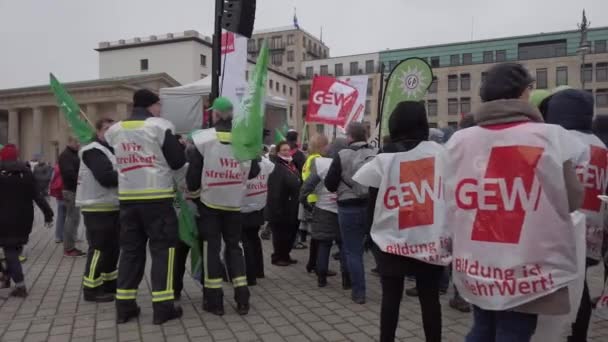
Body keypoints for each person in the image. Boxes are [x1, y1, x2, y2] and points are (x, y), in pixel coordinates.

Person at [446, 63, 585, 342]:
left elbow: (449, 198)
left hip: (477, 261)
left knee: (482, 328)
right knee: (514, 332)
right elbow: (572, 199)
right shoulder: (550, 137)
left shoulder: (458, 140)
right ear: (524, 93)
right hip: (528, 262)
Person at [354, 102, 449, 342]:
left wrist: (369, 236)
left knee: (391, 298)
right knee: (430, 298)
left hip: (391, 240)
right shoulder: (441, 153)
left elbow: (373, 202)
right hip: (430, 237)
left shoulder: (385, 156)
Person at [105, 89, 186, 325]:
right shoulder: (159, 126)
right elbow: (178, 161)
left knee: (130, 252)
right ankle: (163, 308)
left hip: (128, 199)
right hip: (157, 199)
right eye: (159, 105)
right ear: (152, 105)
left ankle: (125, 308)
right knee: (163, 252)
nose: (160, 109)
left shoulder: (115, 130)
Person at [544, 89, 607, 342]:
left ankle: (572, 335)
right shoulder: (601, 145)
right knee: (579, 286)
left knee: (572, 291)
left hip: (561, 231)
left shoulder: (558, 142)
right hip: (592, 233)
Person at [186, 96, 258, 316]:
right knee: (235, 248)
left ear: (215, 114)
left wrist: (197, 197)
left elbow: (193, 177)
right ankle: (242, 297)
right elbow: (254, 171)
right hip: (234, 203)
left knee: (212, 249)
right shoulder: (243, 139)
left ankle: (214, 300)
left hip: (210, 203)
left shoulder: (203, 139)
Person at [325, 122, 377, 304]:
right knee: (378, 248)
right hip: (372, 207)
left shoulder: (341, 155)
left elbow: (330, 184)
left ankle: (359, 292)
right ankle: (392, 287)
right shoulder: (376, 154)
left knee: (353, 252)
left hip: (348, 207)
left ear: (350, 136)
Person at [75, 118, 120, 303]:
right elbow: (105, 177)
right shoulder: (93, 150)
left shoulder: (112, 150)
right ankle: (91, 288)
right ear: (98, 132)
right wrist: (131, 173)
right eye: (107, 129)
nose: (110, 132)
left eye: (113, 129)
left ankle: (109, 284)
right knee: (99, 248)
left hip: (112, 205)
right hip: (96, 207)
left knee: (112, 249)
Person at [0, 144, 54, 297]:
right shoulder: (26, 172)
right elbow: (38, 196)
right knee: (14, 250)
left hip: (3, 219)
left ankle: (20, 285)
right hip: (24, 218)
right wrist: (48, 213)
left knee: (10, 251)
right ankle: (6, 277)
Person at [300, 137, 349, 288]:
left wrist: (304, 201)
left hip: (323, 209)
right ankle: (347, 281)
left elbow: (308, 184)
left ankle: (321, 279)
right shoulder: (349, 162)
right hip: (344, 208)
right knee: (344, 247)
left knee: (324, 244)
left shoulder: (321, 164)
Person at [267, 141, 302, 266]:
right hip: (281, 207)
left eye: (288, 150)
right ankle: (278, 257)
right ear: (278, 152)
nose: (287, 152)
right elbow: (275, 190)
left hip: (291, 206)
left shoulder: (291, 165)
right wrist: (277, 209)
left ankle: (286, 255)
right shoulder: (277, 167)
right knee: (280, 234)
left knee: (289, 234)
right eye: (283, 150)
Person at [241, 154, 274, 286]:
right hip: (258, 205)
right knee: (254, 238)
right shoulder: (266, 163)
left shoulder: (242, 161)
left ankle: (250, 276)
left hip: (242, 207)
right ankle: (259, 271)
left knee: (245, 241)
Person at [301, 134, 329, 271]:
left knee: (315, 236)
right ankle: (315, 265)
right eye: (327, 145)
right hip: (315, 200)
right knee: (319, 237)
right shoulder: (318, 160)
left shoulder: (309, 159)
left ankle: (312, 264)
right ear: (321, 146)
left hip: (310, 199)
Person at [59, 135, 85, 257]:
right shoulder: (66, 156)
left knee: (74, 219)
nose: (78, 144)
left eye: (79, 142)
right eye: (76, 141)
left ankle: (71, 245)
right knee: (72, 219)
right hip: (71, 190)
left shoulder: (73, 154)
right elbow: (69, 174)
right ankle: (69, 248)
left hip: (74, 190)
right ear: (69, 142)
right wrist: (81, 179)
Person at [49, 162, 66, 243]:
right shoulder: (72, 165)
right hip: (69, 192)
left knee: (60, 215)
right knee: (71, 216)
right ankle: (70, 236)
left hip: (59, 193)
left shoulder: (56, 168)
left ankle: (58, 236)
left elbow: (51, 180)